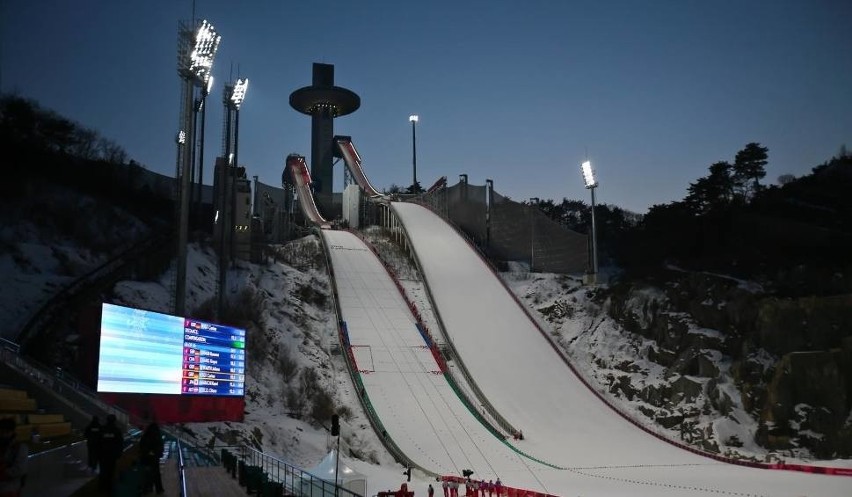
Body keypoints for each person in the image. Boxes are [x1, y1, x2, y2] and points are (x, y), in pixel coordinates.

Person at [0, 417, 28, 497]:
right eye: (1, 432)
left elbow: (19, 469)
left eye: (6, 432)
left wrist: (3, 473)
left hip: (10, 488)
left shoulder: (20, 447)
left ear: (12, 432)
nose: (3, 435)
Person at [98, 414, 124, 494]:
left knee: (103, 471)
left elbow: (98, 442)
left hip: (103, 455)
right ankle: (109, 489)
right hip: (112, 455)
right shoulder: (117, 430)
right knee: (111, 472)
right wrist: (119, 454)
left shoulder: (102, 429)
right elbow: (120, 443)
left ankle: (102, 488)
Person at [139, 421, 164, 495]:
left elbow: (142, 446)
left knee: (147, 473)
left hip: (147, 458)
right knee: (156, 474)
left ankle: (147, 488)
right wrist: (157, 454)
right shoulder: (158, 436)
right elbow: (160, 447)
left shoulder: (146, 435)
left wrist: (147, 453)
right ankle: (159, 489)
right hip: (155, 458)